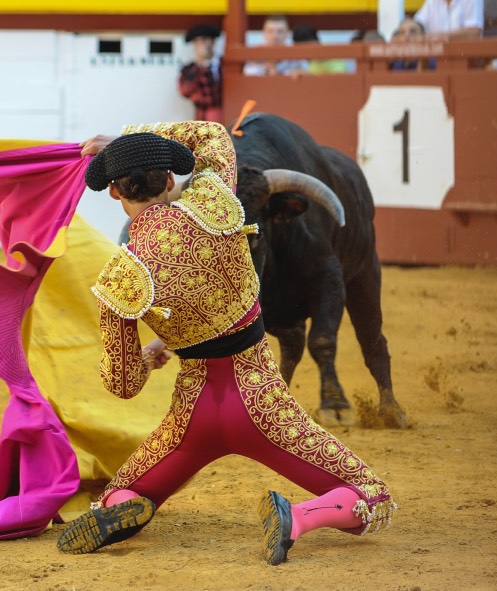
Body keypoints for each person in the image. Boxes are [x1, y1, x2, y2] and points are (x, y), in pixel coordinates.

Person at [56, 121, 397, 564]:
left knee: (125, 490)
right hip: (262, 403)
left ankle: (124, 507)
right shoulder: (215, 200)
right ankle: (297, 518)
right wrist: (125, 137)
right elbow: (212, 134)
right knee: (371, 497)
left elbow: (123, 384)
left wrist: (149, 356)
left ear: (115, 192)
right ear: (170, 178)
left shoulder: (120, 277)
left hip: (192, 418)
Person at [178, 23, 224, 123]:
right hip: (201, 118)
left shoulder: (225, 65)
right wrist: (200, 65)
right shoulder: (189, 69)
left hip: (225, 115)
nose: (200, 44)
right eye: (196, 41)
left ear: (212, 41)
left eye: (204, 39)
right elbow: (184, 91)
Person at [243, 15, 308, 77]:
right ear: (264, 33)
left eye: (280, 31)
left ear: (287, 34)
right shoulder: (254, 56)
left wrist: (300, 74)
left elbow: (306, 71)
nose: (275, 36)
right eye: (270, 31)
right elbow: (247, 72)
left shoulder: (297, 58)